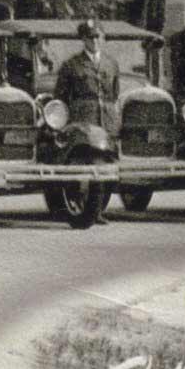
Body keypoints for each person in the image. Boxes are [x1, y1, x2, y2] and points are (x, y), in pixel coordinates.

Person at [52, 19, 121, 225]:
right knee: (87, 166)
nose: (95, 41)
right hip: (84, 120)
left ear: (103, 38)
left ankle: (98, 210)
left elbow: (114, 93)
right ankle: (84, 208)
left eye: (98, 36)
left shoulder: (111, 64)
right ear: (83, 39)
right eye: (90, 37)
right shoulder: (72, 65)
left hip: (106, 120)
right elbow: (61, 98)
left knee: (108, 166)